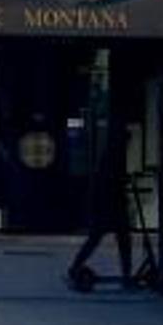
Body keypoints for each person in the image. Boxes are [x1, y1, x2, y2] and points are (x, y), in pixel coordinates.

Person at [68, 121, 133, 286]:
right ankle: (126, 273)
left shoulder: (110, 156)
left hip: (108, 205)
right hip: (112, 206)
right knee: (121, 239)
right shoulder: (115, 157)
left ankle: (76, 265)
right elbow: (112, 183)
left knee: (97, 238)